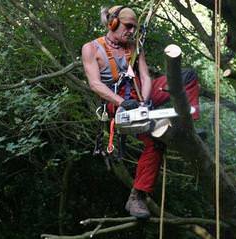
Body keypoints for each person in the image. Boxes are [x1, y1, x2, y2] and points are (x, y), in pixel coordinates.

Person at [82, 5, 200, 219]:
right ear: (113, 23)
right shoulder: (91, 48)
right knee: (155, 141)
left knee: (188, 76)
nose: (131, 32)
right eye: (128, 27)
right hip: (116, 102)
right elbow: (95, 84)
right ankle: (138, 196)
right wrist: (122, 102)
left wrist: (144, 102)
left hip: (140, 94)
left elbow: (145, 77)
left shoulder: (135, 46)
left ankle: (187, 125)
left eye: (134, 28)